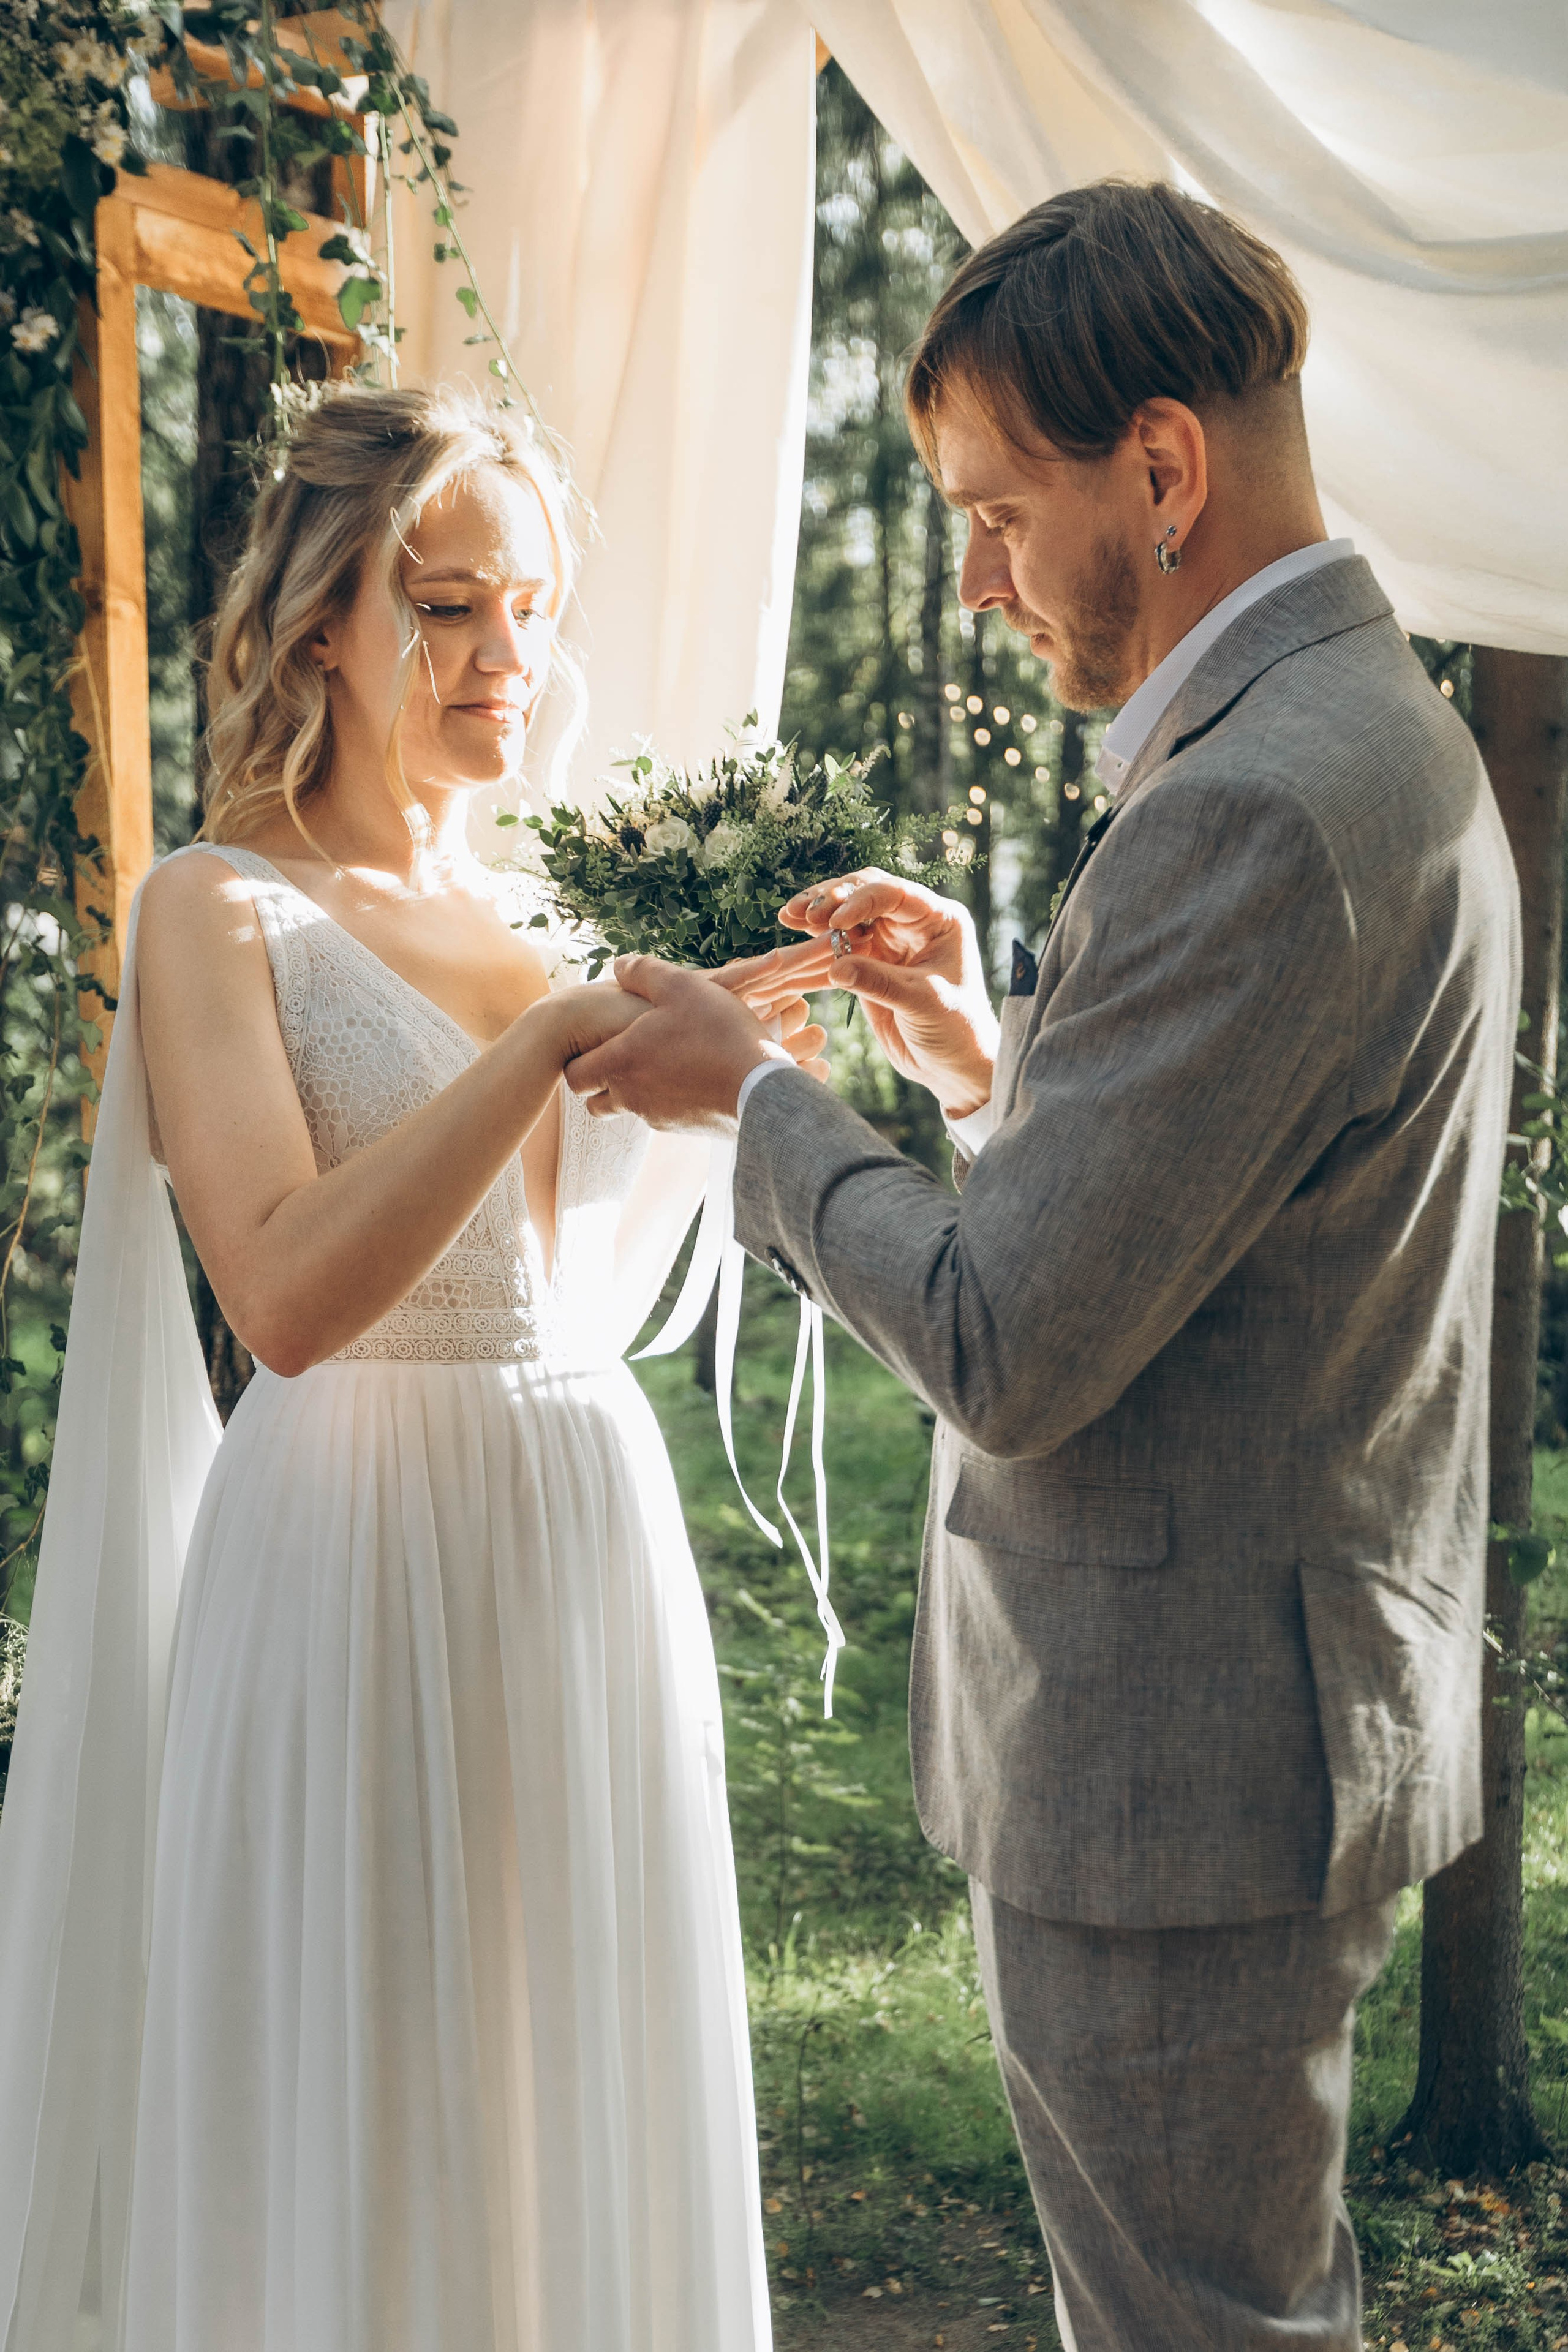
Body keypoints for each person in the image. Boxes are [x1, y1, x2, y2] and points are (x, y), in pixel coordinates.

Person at [565, 181, 1523, 2350]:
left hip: (1177, 1764)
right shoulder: (1378, 736)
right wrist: (992, 1063)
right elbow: (1212, 1235)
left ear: (1164, 471)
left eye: (1001, 512)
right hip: (1265, 1717)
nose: (981, 577)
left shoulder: (1256, 804)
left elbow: (1006, 1343)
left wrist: (753, 1101)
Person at [0, 383, 822, 2352]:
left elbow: (609, 1249)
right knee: (368, 2096)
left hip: (577, 1533)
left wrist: (751, 1055)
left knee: (564, 2083)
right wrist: (539, 1049)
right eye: (449, 606)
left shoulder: (539, 909)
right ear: (320, 632)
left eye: (529, 607)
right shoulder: (219, 910)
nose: (506, 658)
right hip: (351, 1555)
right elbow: (282, 1297)